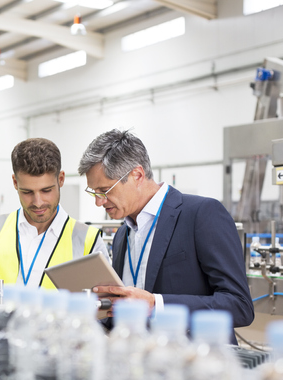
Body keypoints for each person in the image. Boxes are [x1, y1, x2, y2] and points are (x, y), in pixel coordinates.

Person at [78, 129, 253, 336]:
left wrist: (156, 304)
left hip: (193, 360)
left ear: (137, 175)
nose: (99, 202)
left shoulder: (201, 214)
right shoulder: (122, 235)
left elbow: (239, 305)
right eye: (94, 193)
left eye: (105, 191)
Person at [0, 138, 110, 288]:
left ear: (61, 179)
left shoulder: (89, 241)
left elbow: (101, 306)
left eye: (46, 191)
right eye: (27, 192)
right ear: (15, 182)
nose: (38, 202)